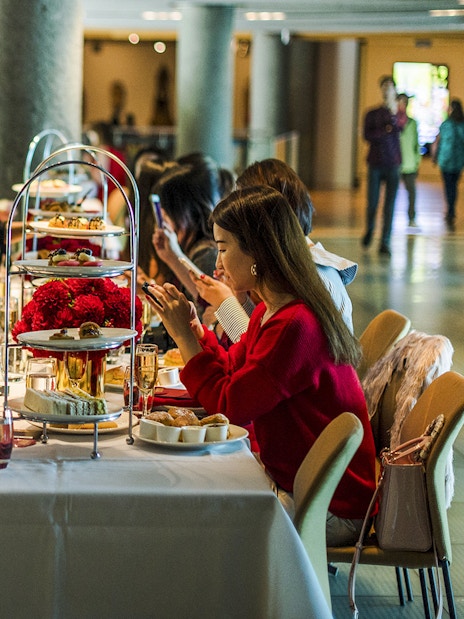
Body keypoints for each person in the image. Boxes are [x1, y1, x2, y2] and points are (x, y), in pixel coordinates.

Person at [145, 186, 376, 546]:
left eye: (222, 249)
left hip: (329, 504)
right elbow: (233, 370)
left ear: (257, 252)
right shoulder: (274, 309)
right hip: (300, 479)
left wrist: (186, 342)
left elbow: (230, 406)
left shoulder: (295, 325)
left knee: (188, 507)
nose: (217, 264)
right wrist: (196, 331)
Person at [193, 159, 357, 340]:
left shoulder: (308, 275)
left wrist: (226, 304)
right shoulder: (289, 263)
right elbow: (264, 329)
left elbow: (268, 348)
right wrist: (239, 299)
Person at [151, 163, 219, 318]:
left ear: (185, 212)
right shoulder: (190, 248)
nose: (164, 224)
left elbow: (207, 307)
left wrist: (174, 256)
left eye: (167, 215)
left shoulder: (206, 253)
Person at [362, 75, 407, 256]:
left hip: (393, 164)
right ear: (381, 90)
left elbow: (400, 127)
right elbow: (367, 135)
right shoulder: (371, 113)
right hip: (375, 163)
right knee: (372, 202)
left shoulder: (399, 113)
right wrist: (385, 130)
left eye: (390, 87)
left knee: (390, 204)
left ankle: (385, 241)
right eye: (384, 87)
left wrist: (392, 117)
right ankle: (370, 230)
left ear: (395, 91)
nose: (387, 91)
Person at [432, 98, 464, 232]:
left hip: (446, 161)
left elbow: (437, 141)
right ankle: (451, 209)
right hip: (458, 161)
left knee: (448, 186)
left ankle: (450, 209)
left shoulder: (446, 124)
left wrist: (434, 157)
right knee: (454, 186)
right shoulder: (461, 125)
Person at [397, 93, 421, 227]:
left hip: (410, 163)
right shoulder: (392, 122)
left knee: (412, 192)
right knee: (391, 194)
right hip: (395, 163)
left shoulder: (412, 123)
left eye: (404, 103)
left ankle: (411, 217)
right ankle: (387, 218)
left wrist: (417, 161)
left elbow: (416, 144)